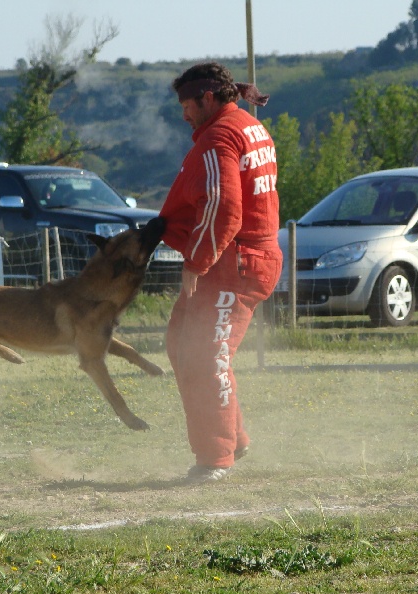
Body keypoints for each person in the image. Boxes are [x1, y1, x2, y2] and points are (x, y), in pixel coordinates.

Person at [159, 62, 282, 483]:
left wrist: (195, 262)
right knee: (181, 342)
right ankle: (234, 438)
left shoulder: (218, 138)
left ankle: (215, 459)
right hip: (238, 259)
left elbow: (223, 207)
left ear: (207, 98)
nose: (184, 114)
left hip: (236, 263)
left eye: (187, 105)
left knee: (205, 355)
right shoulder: (247, 125)